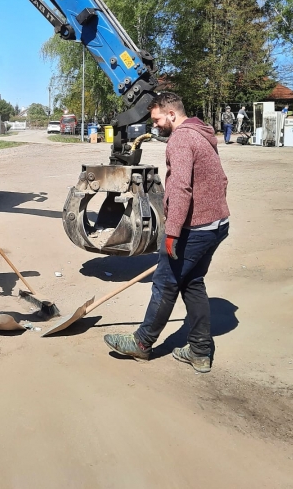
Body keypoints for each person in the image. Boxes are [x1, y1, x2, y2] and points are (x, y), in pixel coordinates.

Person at [104, 92, 230, 373]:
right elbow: (220, 180)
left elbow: (181, 188)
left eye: (157, 119)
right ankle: (199, 351)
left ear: (171, 114)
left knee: (165, 282)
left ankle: (142, 343)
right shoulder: (201, 133)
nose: (155, 125)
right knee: (192, 282)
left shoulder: (181, 139)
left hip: (195, 229)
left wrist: (172, 233)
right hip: (216, 224)